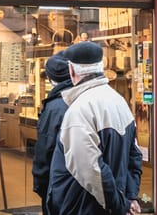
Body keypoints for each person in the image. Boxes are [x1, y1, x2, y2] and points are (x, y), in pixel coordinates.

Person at [47, 41, 142, 215]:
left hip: (82, 206)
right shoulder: (120, 102)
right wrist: (130, 196)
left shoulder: (79, 110)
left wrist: (120, 204)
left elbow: (90, 170)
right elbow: (134, 156)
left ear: (72, 70)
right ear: (101, 66)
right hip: (110, 204)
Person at [32, 51, 72, 215]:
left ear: (50, 78)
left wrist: (40, 184)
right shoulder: (87, 99)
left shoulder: (55, 108)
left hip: (58, 184)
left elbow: (45, 149)